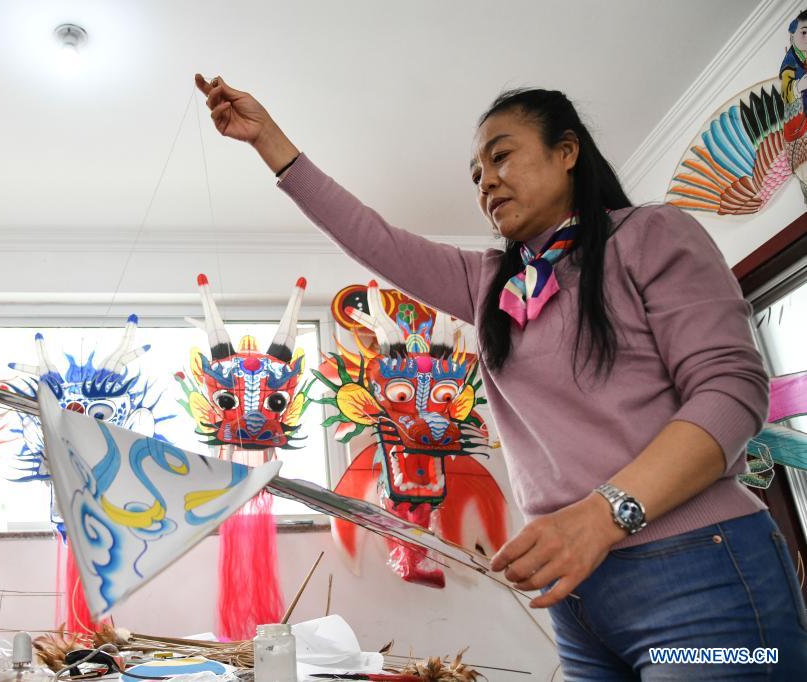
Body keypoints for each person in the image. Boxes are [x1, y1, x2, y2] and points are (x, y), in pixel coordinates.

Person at [194, 74, 807, 679]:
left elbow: (731, 391)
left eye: (501, 156)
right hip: (578, 599)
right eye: (476, 174)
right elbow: (369, 237)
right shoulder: (490, 285)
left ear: (566, 152)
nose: (485, 180)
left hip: (700, 579)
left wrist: (600, 517)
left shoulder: (652, 235)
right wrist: (268, 141)